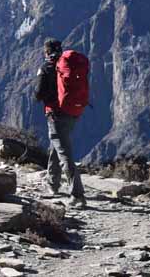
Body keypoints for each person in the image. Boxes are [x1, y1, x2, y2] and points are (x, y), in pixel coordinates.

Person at [37, 38, 89, 209]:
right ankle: (53, 184)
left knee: (64, 154)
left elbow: (38, 93)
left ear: (46, 52)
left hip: (55, 114)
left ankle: (77, 195)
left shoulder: (47, 68)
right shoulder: (65, 65)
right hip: (73, 112)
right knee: (57, 145)